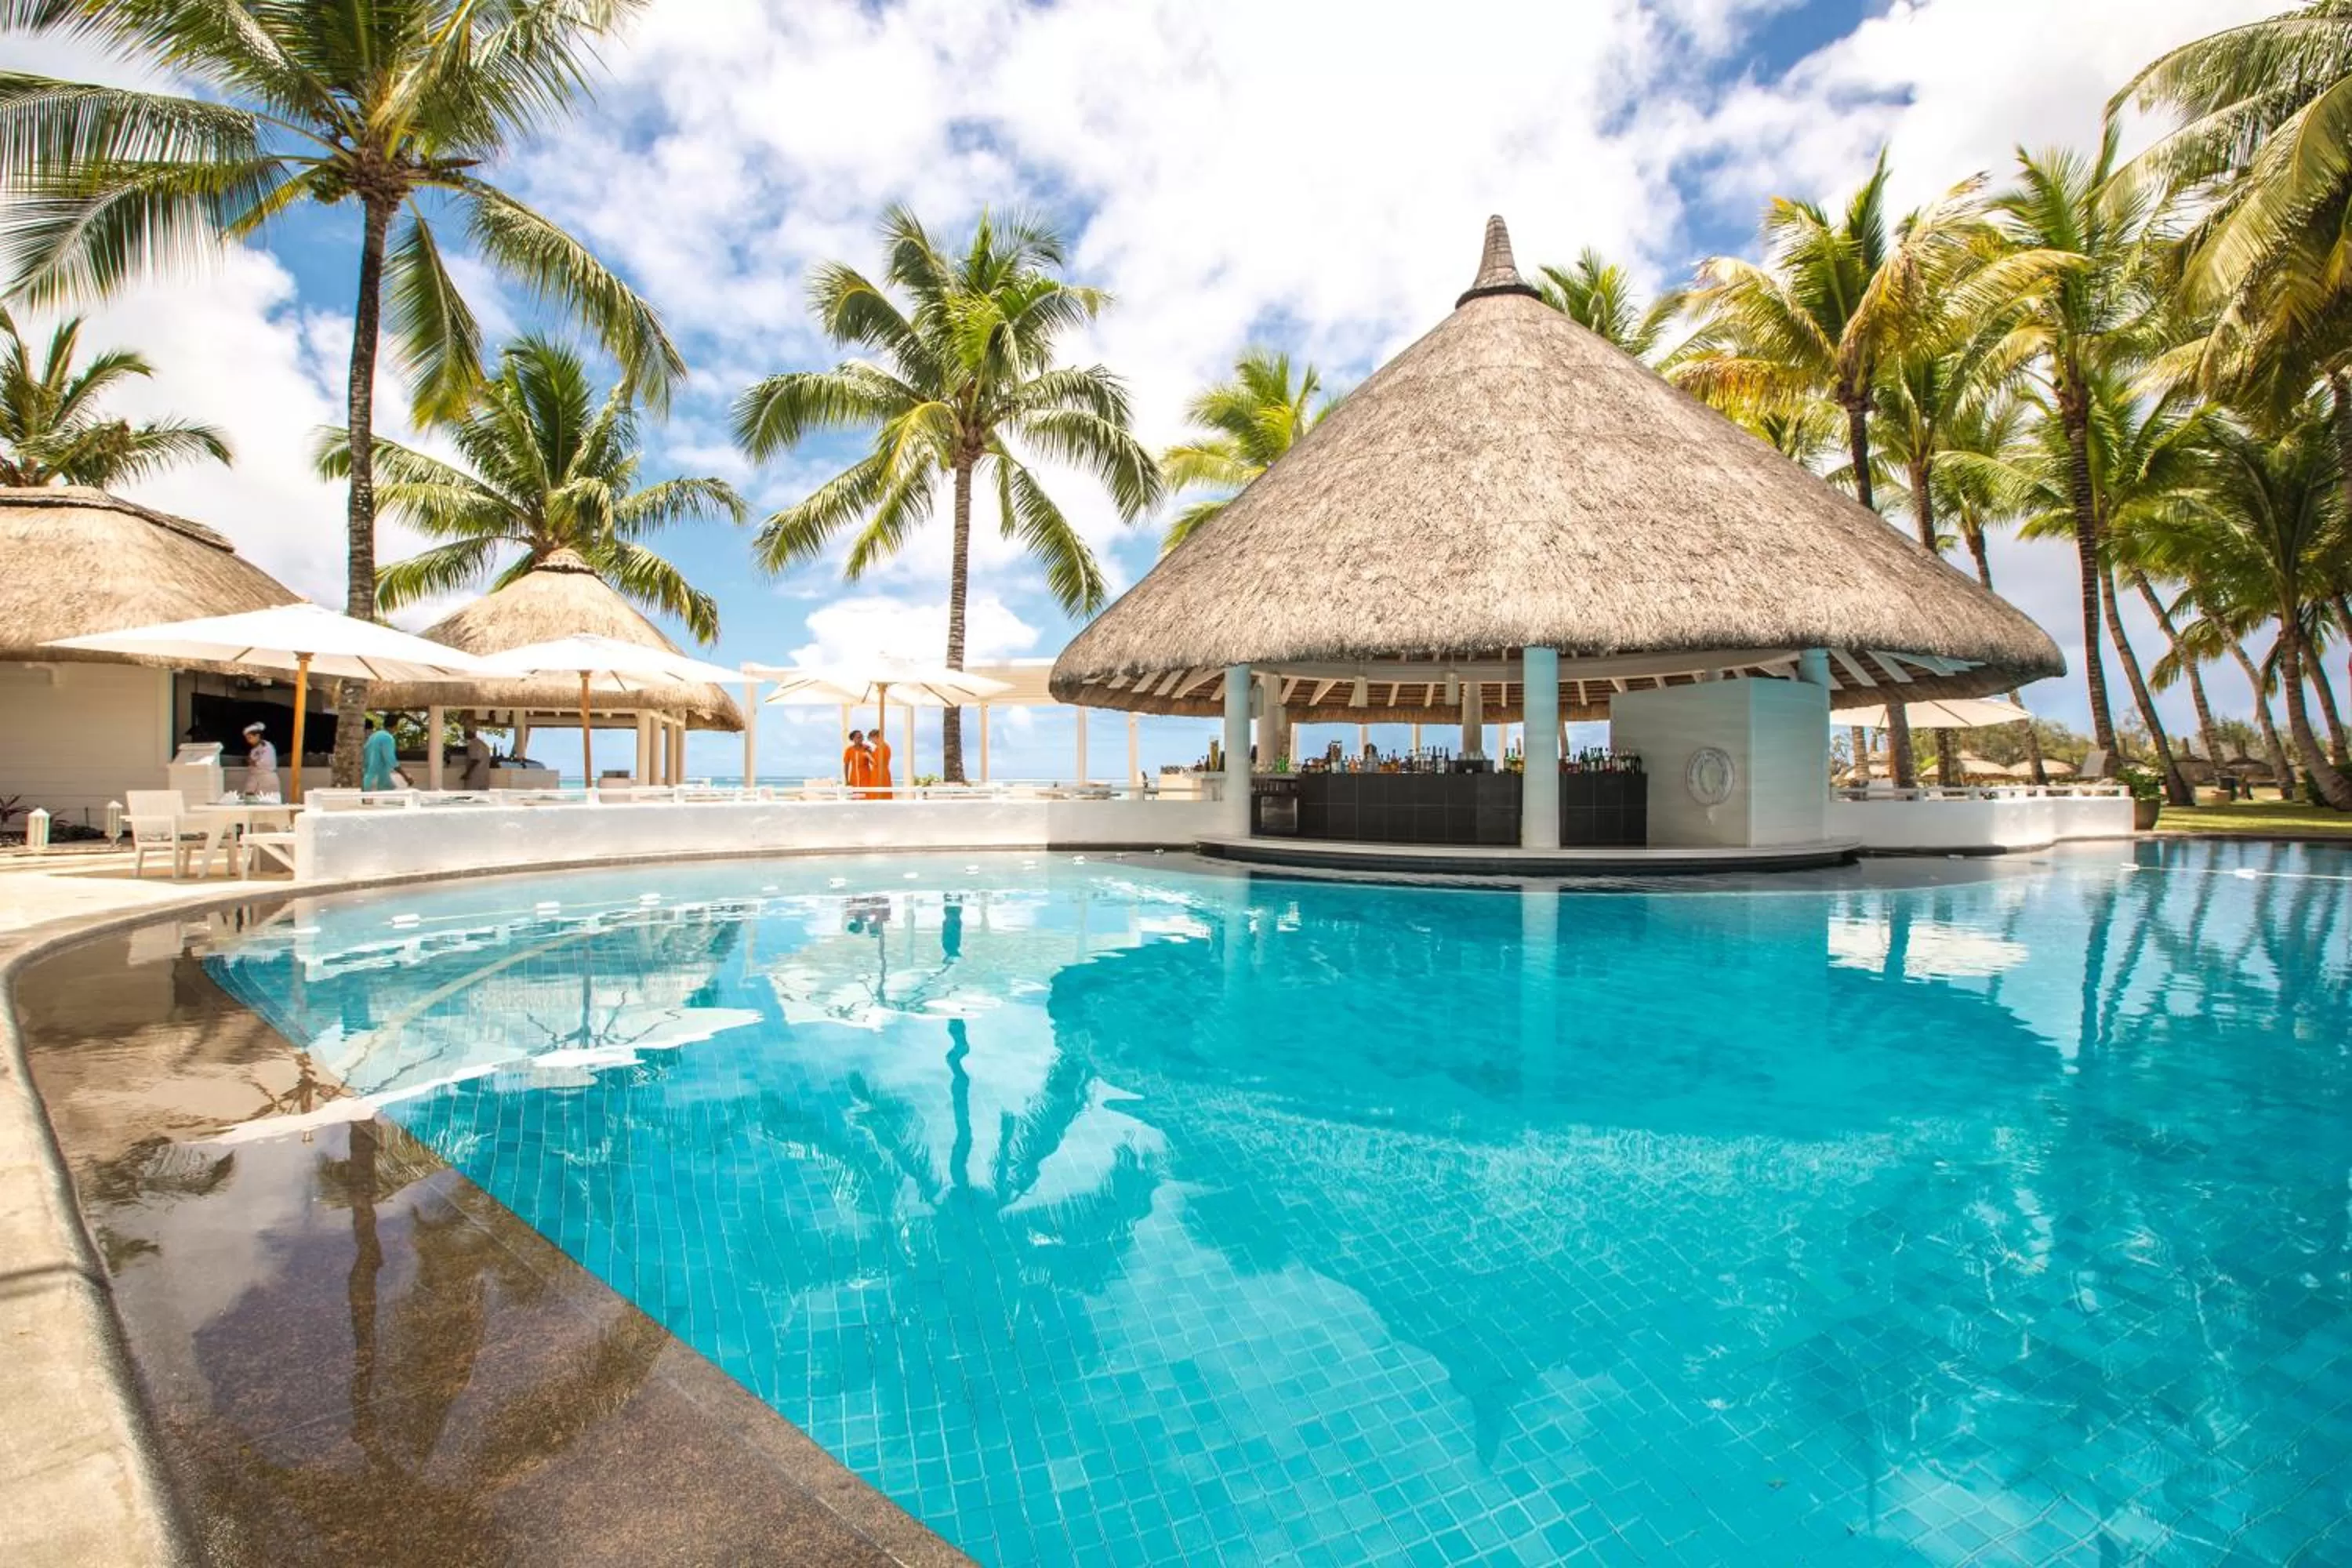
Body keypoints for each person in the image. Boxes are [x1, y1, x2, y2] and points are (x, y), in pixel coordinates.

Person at [241, 721, 279, 800]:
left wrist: (252, 762)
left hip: (267, 780)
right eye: (247, 739)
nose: (248, 741)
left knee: (268, 803)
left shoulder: (267, 747)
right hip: (255, 780)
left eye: (250, 738)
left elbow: (265, 762)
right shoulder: (253, 750)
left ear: (257, 736)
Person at [361, 715, 398, 791]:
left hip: (368, 780)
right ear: (395, 726)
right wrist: (406, 777)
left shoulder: (373, 736)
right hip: (379, 782)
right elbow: (391, 760)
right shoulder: (387, 737)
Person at [460, 724, 493, 790]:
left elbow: (475, 760)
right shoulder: (483, 744)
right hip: (484, 777)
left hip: (475, 778)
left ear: (471, 732)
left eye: (465, 732)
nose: (464, 734)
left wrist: (467, 773)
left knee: (469, 797)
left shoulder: (474, 744)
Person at [867, 723, 894, 800]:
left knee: (878, 795)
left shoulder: (882, 747)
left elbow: (876, 763)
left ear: (875, 737)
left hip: (879, 774)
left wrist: (868, 755)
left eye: (871, 739)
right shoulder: (884, 746)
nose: (872, 742)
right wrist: (871, 753)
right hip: (882, 772)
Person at [842, 730, 872, 797]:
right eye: (859, 737)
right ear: (853, 739)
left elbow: (873, 763)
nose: (861, 739)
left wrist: (869, 753)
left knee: (867, 797)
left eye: (862, 737)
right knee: (855, 798)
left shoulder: (867, 748)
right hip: (854, 778)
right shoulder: (849, 750)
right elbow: (846, 765)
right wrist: (847, 780)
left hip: (866, 778)